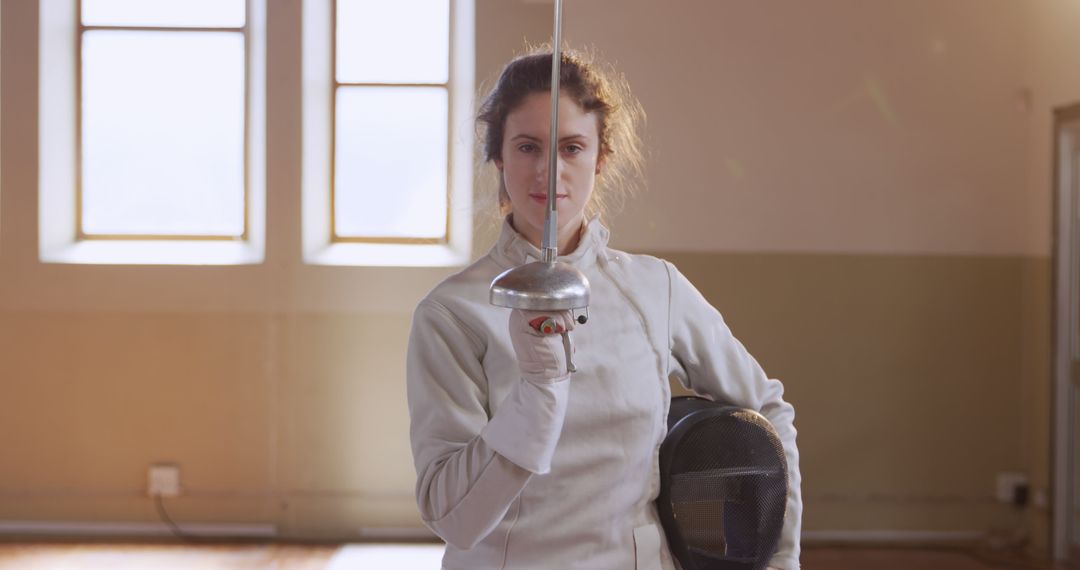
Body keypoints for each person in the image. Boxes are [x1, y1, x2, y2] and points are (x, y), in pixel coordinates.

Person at [406, 48, 801, 570]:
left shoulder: (654, 288)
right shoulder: (452, 313)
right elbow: (453, 518)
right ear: (498, 155)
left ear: (602, 156)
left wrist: (779, 560)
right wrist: (537, 395)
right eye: (527, 147)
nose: (549, 171)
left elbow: (767, 412)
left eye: (571, 148)